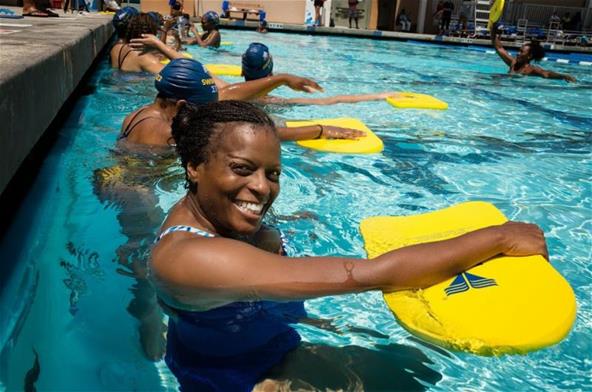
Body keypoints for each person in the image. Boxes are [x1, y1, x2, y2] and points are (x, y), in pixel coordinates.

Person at [150, 99, 549, 390]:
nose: (261, 187)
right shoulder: (190, 258)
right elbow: (364, 274)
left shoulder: (219, 213)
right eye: (242, 168)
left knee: (416, 368)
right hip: (237, 376)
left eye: (273, 173)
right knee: (414, 377)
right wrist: (498, 237)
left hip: (267, 333)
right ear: (194, 167)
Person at [120, 58, 364, 147]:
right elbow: (247, 134)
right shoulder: (166, 133)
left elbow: (228, 94)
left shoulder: (145, 112)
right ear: (182, 105)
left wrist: (281, 78)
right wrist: (321, 130)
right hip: (139, 195)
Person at [236, 42, 403, 106]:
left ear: (242, 71)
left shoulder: (226, 92)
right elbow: (330, 100)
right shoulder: (272, 103)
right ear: (271, 74)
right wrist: (380, 95)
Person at [491, 23, 576, 82]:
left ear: (529, 56)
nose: (518, 53)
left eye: (521, 52)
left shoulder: (530, 70)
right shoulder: (513, 63)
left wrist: (563, 76)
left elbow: (546, 74)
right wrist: (493, 31)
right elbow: (499, 48)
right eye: (519, 51)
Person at [111, 13, 186, 73]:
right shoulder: (146, 59)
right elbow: (189, 68)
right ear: (151, 33)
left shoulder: (116, 48)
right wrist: (158, 44)